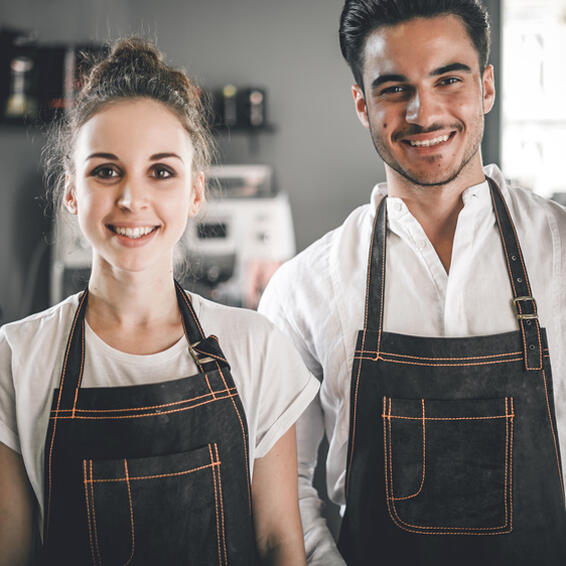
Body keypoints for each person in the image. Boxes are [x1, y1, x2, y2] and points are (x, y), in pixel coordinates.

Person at [258, 1, 566, 565]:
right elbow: (283, 495)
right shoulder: (302, 288)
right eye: (395, 89)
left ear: (487, 88)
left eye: (449, 79)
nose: (424, 113)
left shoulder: (561, 249)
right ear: (362, 104)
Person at [0, 37, 319, 566]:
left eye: (161, 171)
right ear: (71, 193)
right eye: (106, 170)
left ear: (195, 193)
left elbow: (279, 543)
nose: (131, 197)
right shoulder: (15, 357)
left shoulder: (256, 346)